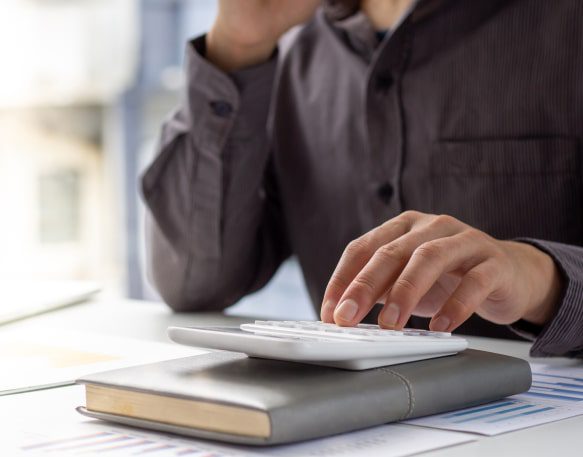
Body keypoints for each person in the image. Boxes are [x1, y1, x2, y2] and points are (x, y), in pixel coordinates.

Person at [142, 0, 583, 357]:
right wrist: (238, 46)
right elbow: (194, 282)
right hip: (345, 426)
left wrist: (541, 279)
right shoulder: (290, 42)